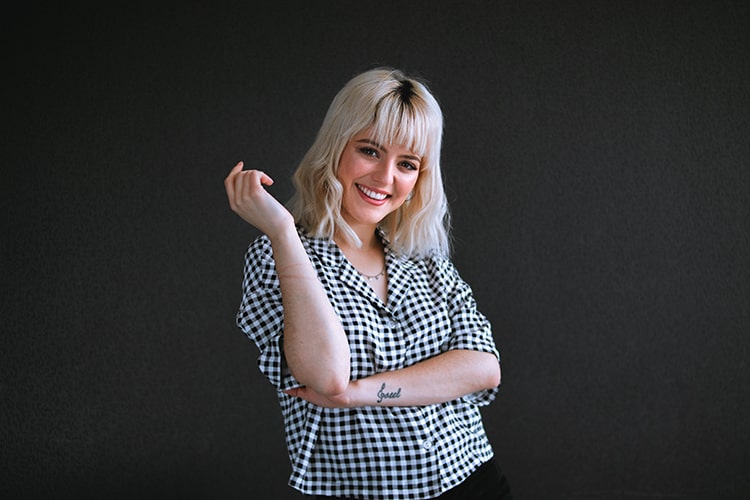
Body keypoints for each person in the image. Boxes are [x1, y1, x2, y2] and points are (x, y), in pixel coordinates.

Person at [224, 67, 512, 499]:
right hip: (363, 490)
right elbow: (326, 376)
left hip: (471, 479)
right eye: (370, 151)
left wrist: (361, 393)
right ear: (336, 146)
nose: (385, 178)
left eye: (407, 164)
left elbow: (484, 368)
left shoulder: (424, 259)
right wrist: (282, 231)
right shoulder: (276, 255)